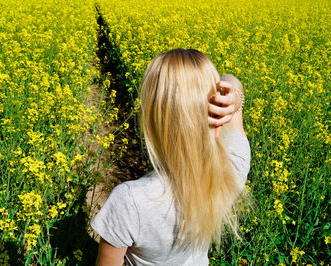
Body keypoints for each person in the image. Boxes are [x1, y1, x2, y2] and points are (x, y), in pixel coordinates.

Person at [91, 48, 251, 266]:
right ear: (217, 112)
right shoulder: (231, 171)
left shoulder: (129, 202)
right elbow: (232, 82)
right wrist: (234, 96)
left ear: (153, 118)